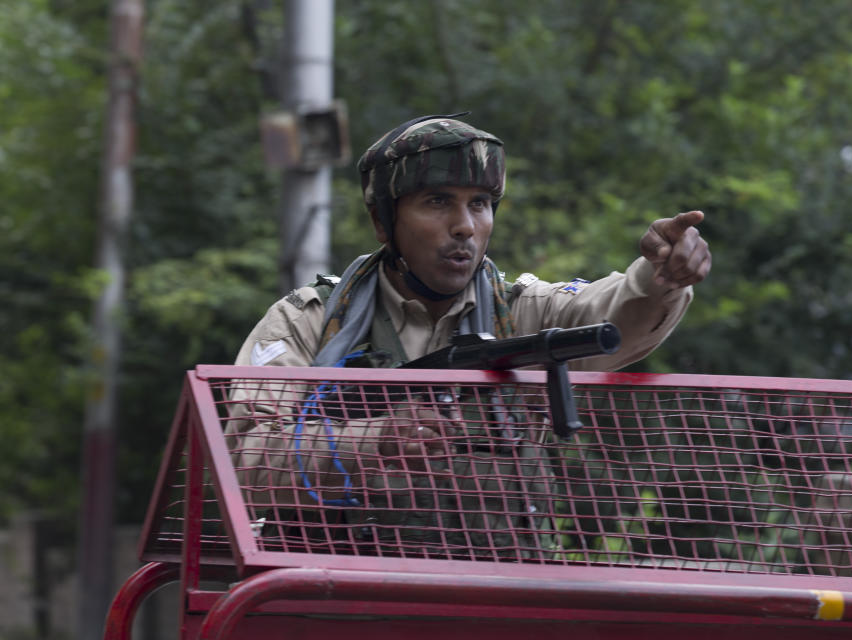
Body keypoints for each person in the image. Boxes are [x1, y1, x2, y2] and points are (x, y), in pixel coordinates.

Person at [226, 113, 711, 557]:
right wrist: (371, 439)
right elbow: (242, 461)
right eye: (437, 202)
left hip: (502, 599)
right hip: (341, 602)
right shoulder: (309, 321)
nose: (464, 227)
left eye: (479, 204)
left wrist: (659, 275)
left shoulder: (520, 313)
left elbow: (608, 319)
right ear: (382, 221)